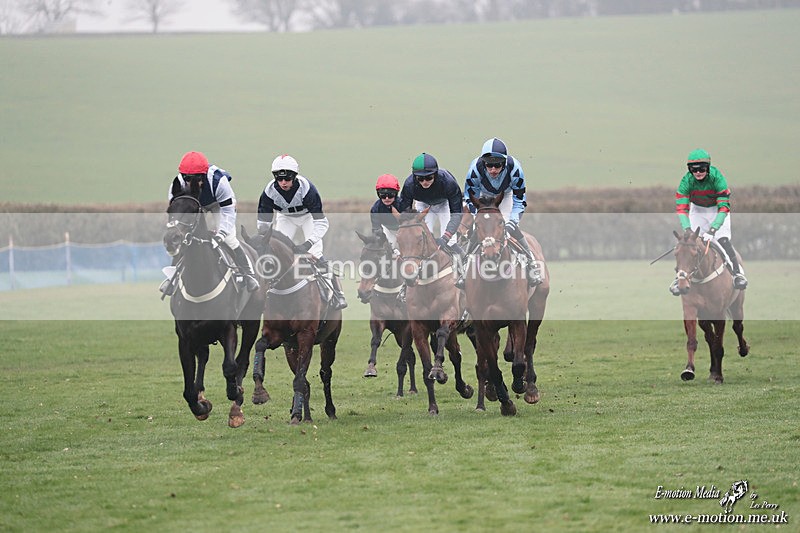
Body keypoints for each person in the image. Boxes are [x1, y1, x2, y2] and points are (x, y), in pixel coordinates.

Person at [257, 154, 347, 310]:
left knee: (316, 253)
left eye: (287, 178)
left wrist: (307, 244)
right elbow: (263, 225)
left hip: (308, 217)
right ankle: (267, 292)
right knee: (275, 252)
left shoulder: (307, 190)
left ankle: (336, 294)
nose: (283, 183)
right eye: (279, 179)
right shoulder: (269, 192)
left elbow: (321, 222)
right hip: (285, 218)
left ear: (294, 176)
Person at [164, 150, 259, 293]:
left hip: (218, 205)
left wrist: (221, 234)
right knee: (183, 238)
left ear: (204, 175)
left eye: (196, 179)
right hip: (194, 205)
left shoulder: (219, 182)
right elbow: (176, 211)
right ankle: (171, 278)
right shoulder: (177, 184)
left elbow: (228, 211)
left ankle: (248, 274)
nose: (191, 183)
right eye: (187, 178)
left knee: (229, 238)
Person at [460, 137, 542, 287]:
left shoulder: (515, 169)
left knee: (509, 229)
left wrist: (512, 222)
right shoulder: (475, 170)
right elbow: (470, 197)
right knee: (477, 229)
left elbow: (519, 201)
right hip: (482, 197)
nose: (493, 170)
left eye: (497, 165)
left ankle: (531, 264)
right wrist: (478, 218)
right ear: (483, 162)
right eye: (489, 165)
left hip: (505, 195)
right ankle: (464, 267)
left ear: (504, 162)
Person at [673, 148, 748, 293]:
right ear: (689, 170)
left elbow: (724, 207)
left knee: (722, 240)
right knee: (689, 243)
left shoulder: (717, 178)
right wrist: (687, 229)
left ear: (708, 167)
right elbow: (682, 209)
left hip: (718, 210)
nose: (698, 172)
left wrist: (713, 230)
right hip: (697, 210)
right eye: (694, 169)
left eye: (702, 168)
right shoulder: (686, 181)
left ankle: (737, 274)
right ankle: (679, 278)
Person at [397, 152, 464, 252]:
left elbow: (457, 213)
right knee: (423, 239)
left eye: (429, 178)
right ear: (415, 177)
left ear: (435, 175)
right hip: (423, 204)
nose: (425, 182)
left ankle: (461, 258)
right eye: (420, 178)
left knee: (450, 242)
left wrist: (446, 237)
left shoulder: (448, 183)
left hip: (444, 204)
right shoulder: (409, 185)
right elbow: (405, 214)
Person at [370, 173, 402, 251]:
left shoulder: (402, 204)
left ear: (396, 194)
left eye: (390, 195)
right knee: (386, 249)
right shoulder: (375, 209)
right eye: (383, 195)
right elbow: (376, 229)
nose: (387, 198)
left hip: (403, 229)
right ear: (378, 195)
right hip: (388, 230)